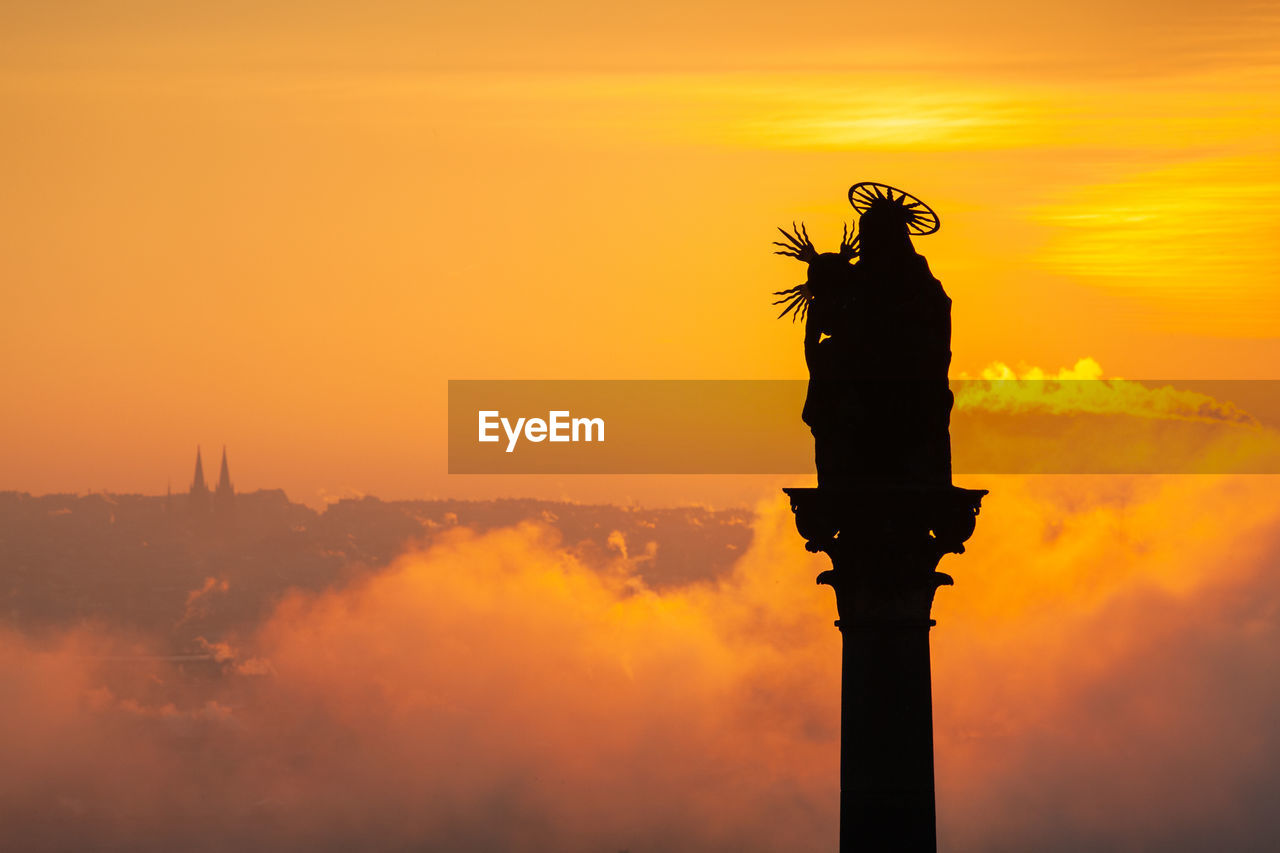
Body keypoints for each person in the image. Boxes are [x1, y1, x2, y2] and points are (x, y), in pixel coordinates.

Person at [773, 184, 953, 487]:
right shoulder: (857, 277)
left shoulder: (917, 281)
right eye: (865, 233)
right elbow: (834, 307)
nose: (867, 242)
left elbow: (926, 334)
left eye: (873, 235)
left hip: (905, 385)